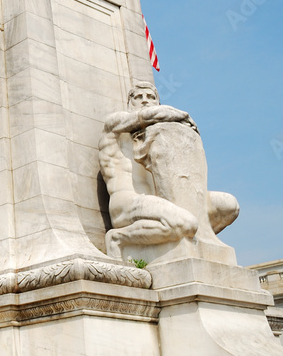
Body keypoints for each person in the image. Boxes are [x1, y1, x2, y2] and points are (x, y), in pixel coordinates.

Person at [98, 82, 238, 260]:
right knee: (186, 223)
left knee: (229, 206)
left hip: (157, 203)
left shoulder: (157, 130)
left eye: (151, 97)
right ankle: (118, 239)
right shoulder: (115, 125)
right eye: (138, 97)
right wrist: (183, 116)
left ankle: (184, 237)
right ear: (129, 102)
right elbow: (146, 116)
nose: (145, 101)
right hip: (127, 202)